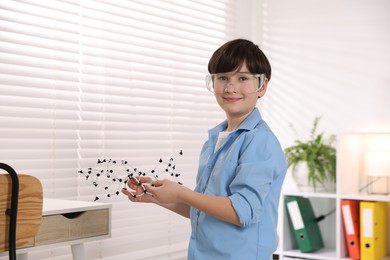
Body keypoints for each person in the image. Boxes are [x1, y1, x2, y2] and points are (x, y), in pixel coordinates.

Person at [122, 39, 288, 260]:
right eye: (222, 78)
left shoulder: (260, 141)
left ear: (262, 86)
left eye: (242, 78)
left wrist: (181, 192)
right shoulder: (215, 140)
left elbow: (242, 211)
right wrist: (158, 197)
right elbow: (204, 210)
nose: (231, 87)